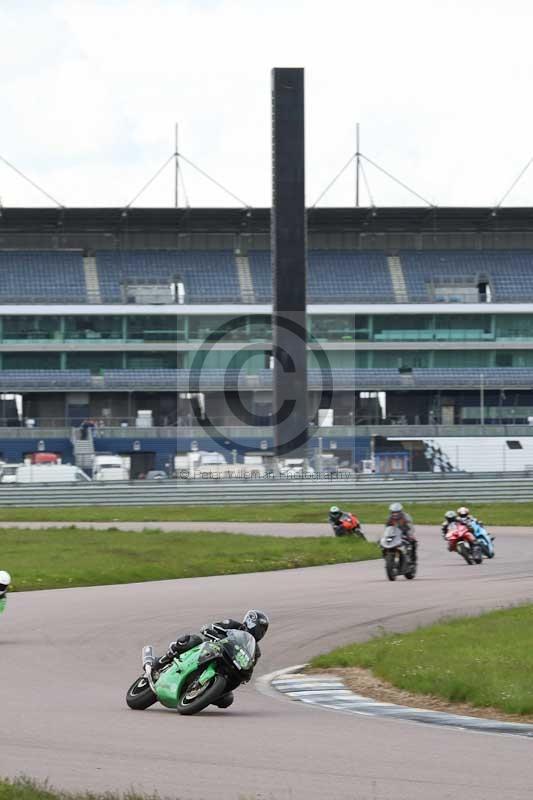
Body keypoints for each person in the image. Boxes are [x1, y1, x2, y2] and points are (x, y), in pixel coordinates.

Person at [153, 610, 269, 708]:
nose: (260, 632)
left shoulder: (255, 651)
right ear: (250, 621)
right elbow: (213, 626)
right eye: (259, 628)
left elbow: (248, 664)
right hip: (209, 649)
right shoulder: (233, 625)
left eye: (263, 630)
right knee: (193, 640)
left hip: (227, 664)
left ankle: (202, 693)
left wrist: (245, 674)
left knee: (227, 700)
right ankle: (163, 660)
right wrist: (211, 632)